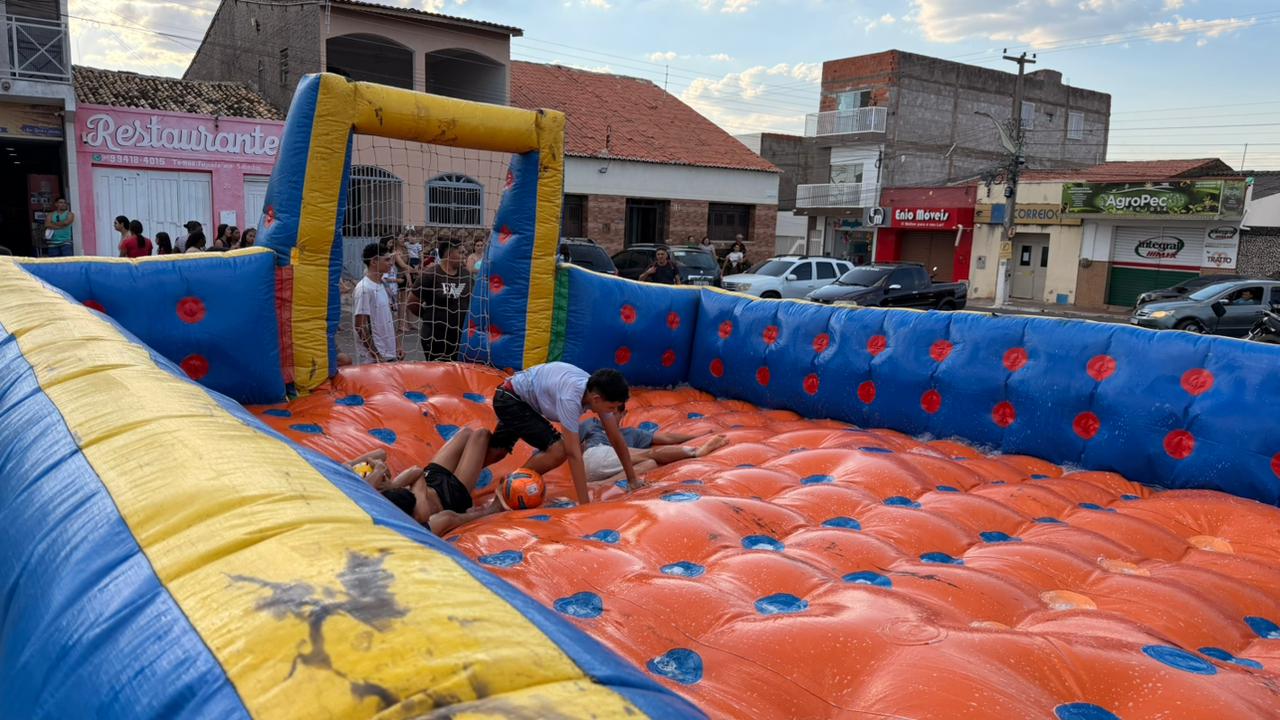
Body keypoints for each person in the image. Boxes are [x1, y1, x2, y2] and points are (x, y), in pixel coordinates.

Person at [485, 363, 640, 505]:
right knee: (559, 449)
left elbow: (615, 437)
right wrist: (585, 504)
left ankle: (470, 476)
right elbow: (573, 453)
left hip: (514, 394)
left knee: (496, 452)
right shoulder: (570, 399)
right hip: (511, 398)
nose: (614, 412)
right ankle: (507, 491)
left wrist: (632, 479)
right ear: (596, 399)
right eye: (612, 408)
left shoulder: (595, 392)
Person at [360, 428, 502, 536]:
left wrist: (389, 481)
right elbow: (450, 518)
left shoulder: (381, 502)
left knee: (466, 433)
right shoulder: (422, 516)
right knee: (481, 435)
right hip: (451, 494)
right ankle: (495, 452)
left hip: (431, 479)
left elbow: (382, 455)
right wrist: (489, 511)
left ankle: (476, 461)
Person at [580, 405, 729, 484]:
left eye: (614, 413)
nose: (608, 417)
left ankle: (602, 484)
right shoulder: (592, 424)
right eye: (606, 412)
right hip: (595, 454)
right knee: (649, 454)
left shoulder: (632, 433)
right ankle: (695, 452)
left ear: (623, 414)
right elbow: (570, 442)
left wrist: (697, 436)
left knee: (650, 464)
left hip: (600, 473)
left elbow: (666, 437)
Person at [417, 238, 472, 361]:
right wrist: (428, 316)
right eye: (461, 252)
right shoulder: (431, 274)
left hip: (460, 336)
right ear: (449, 254)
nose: (465, 255)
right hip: (435, 337)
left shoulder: (466, 274)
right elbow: (412, 302)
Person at [353, 239, 400, 364]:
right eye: (387, 260)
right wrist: (376, 355)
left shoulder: (382, 284)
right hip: (373, 359)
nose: (391, 263)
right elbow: (360, 326)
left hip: (389, 353)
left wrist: (397, 346)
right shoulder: (364, 288)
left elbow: (389, 319)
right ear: (374, 261)